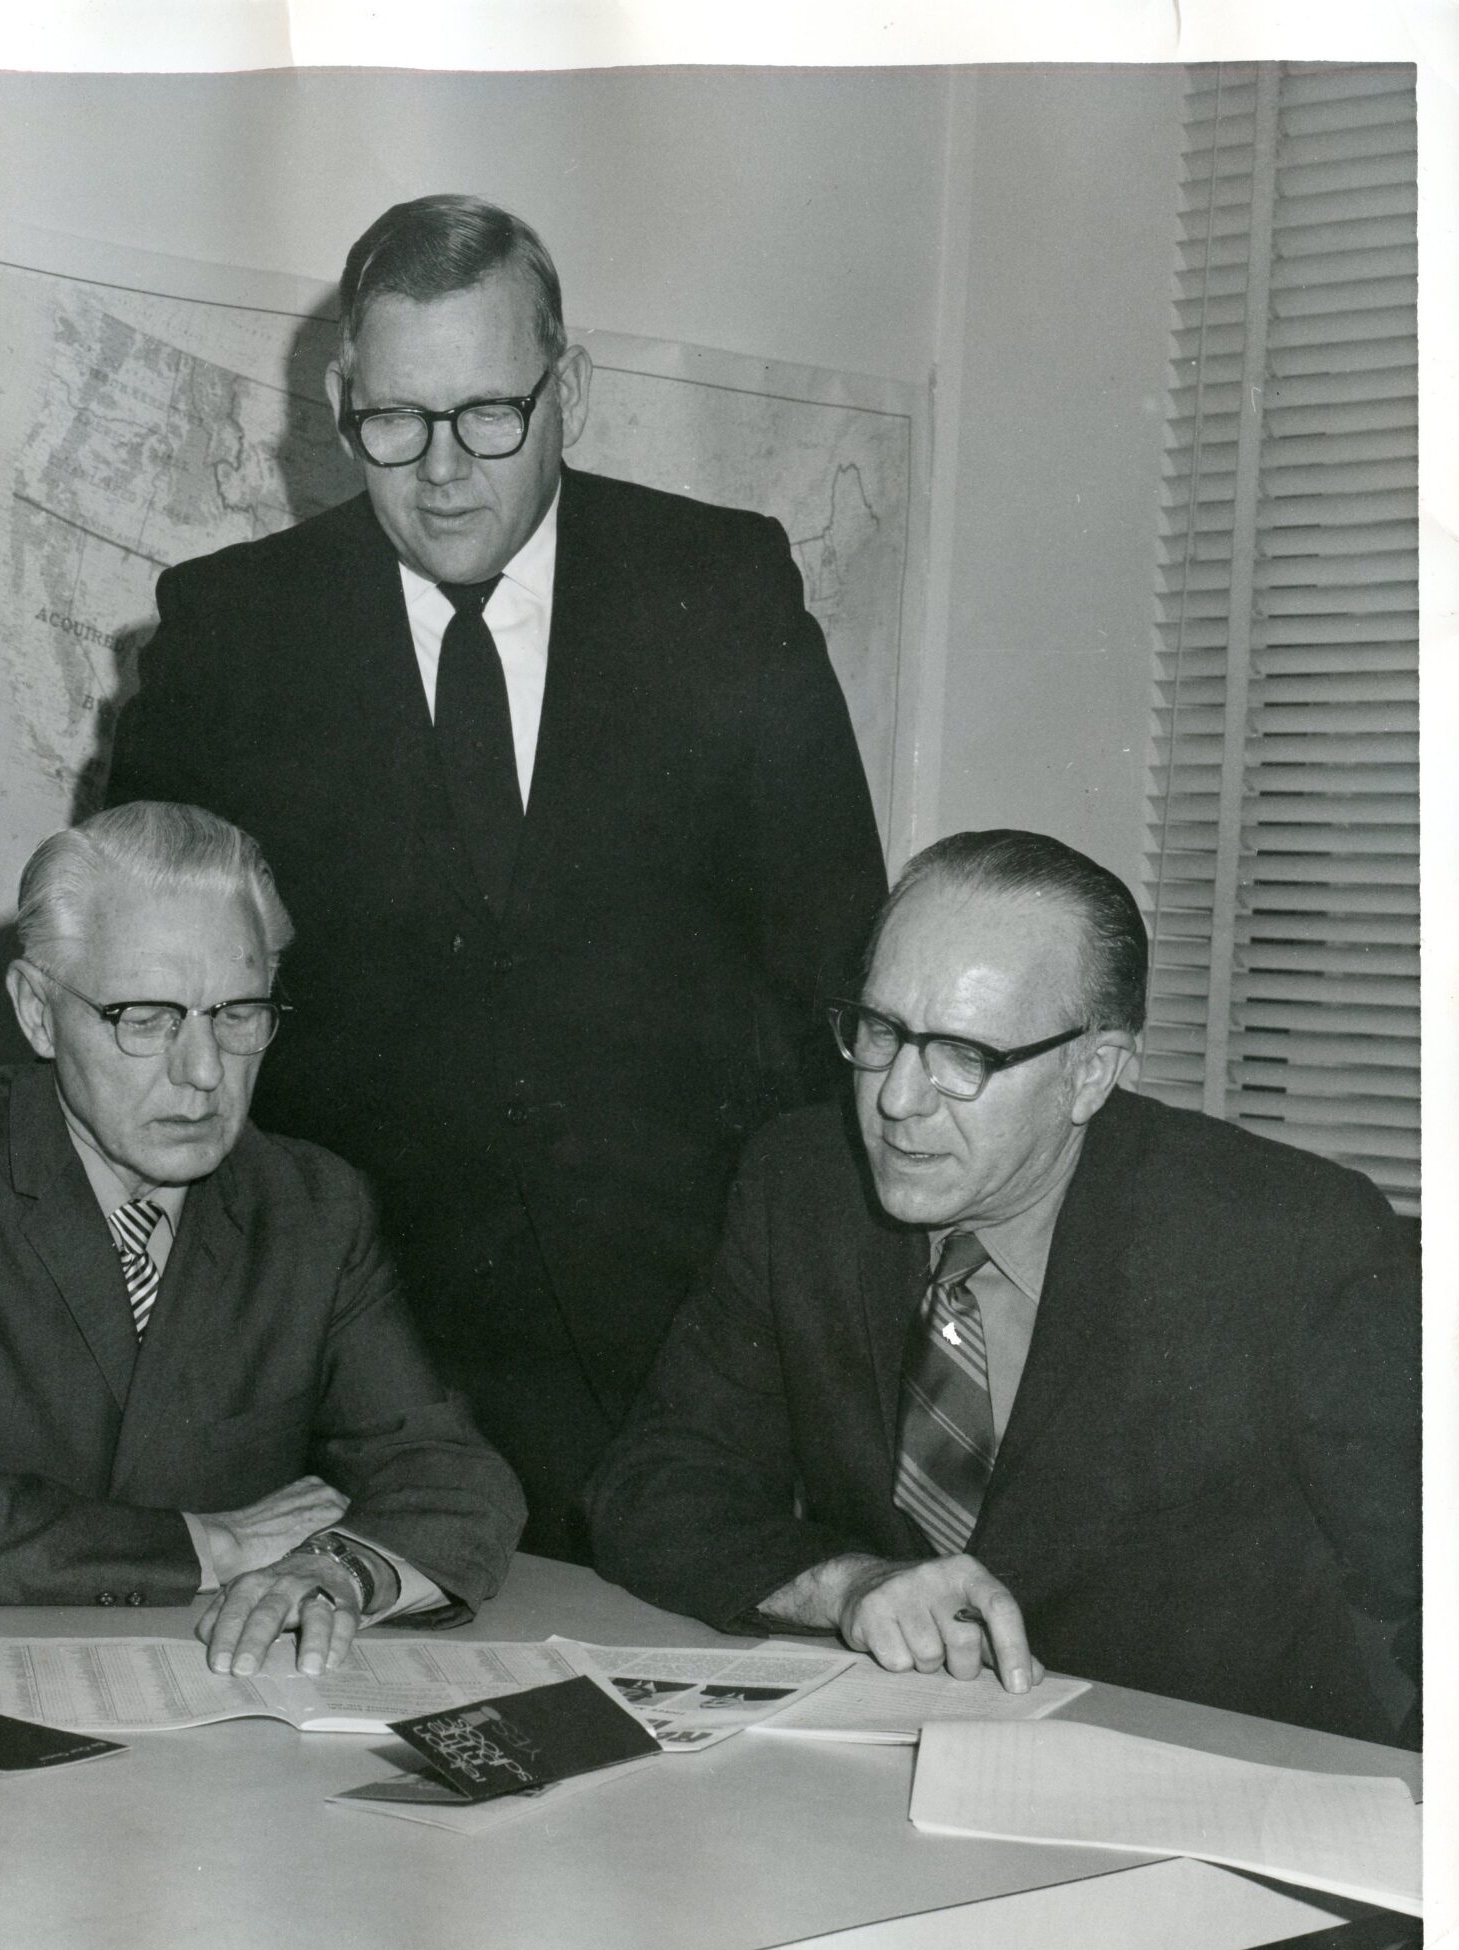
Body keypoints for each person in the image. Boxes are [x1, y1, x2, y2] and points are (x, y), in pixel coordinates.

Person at [106, 194, 885, 1559]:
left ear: (567, 388)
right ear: (338, 403)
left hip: (672, 1347)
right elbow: (135, 993)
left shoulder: (723, 589)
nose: (443, 472)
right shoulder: (231, 631)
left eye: (489, 415)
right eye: (396, 422)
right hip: (344, 1359)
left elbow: (834, 976)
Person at [588, 831, 1420, 1745]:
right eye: (881, 1032)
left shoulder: (1288, 1244)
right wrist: (848, 1585)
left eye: (963, 1055)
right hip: (884, 1771)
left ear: (1089, 1073)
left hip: (1203, 1782)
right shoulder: (802, 1185)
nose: (898, 1098)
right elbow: (653, 1485)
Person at [0, 801, 525, 1675]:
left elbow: (453, 1476)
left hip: (214, 1697)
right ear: (36, 1011)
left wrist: (341, 1569)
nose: (205, 1071)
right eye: (146, 1019)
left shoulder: (311, 1205)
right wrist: (212, 1545)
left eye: (238, 1014)